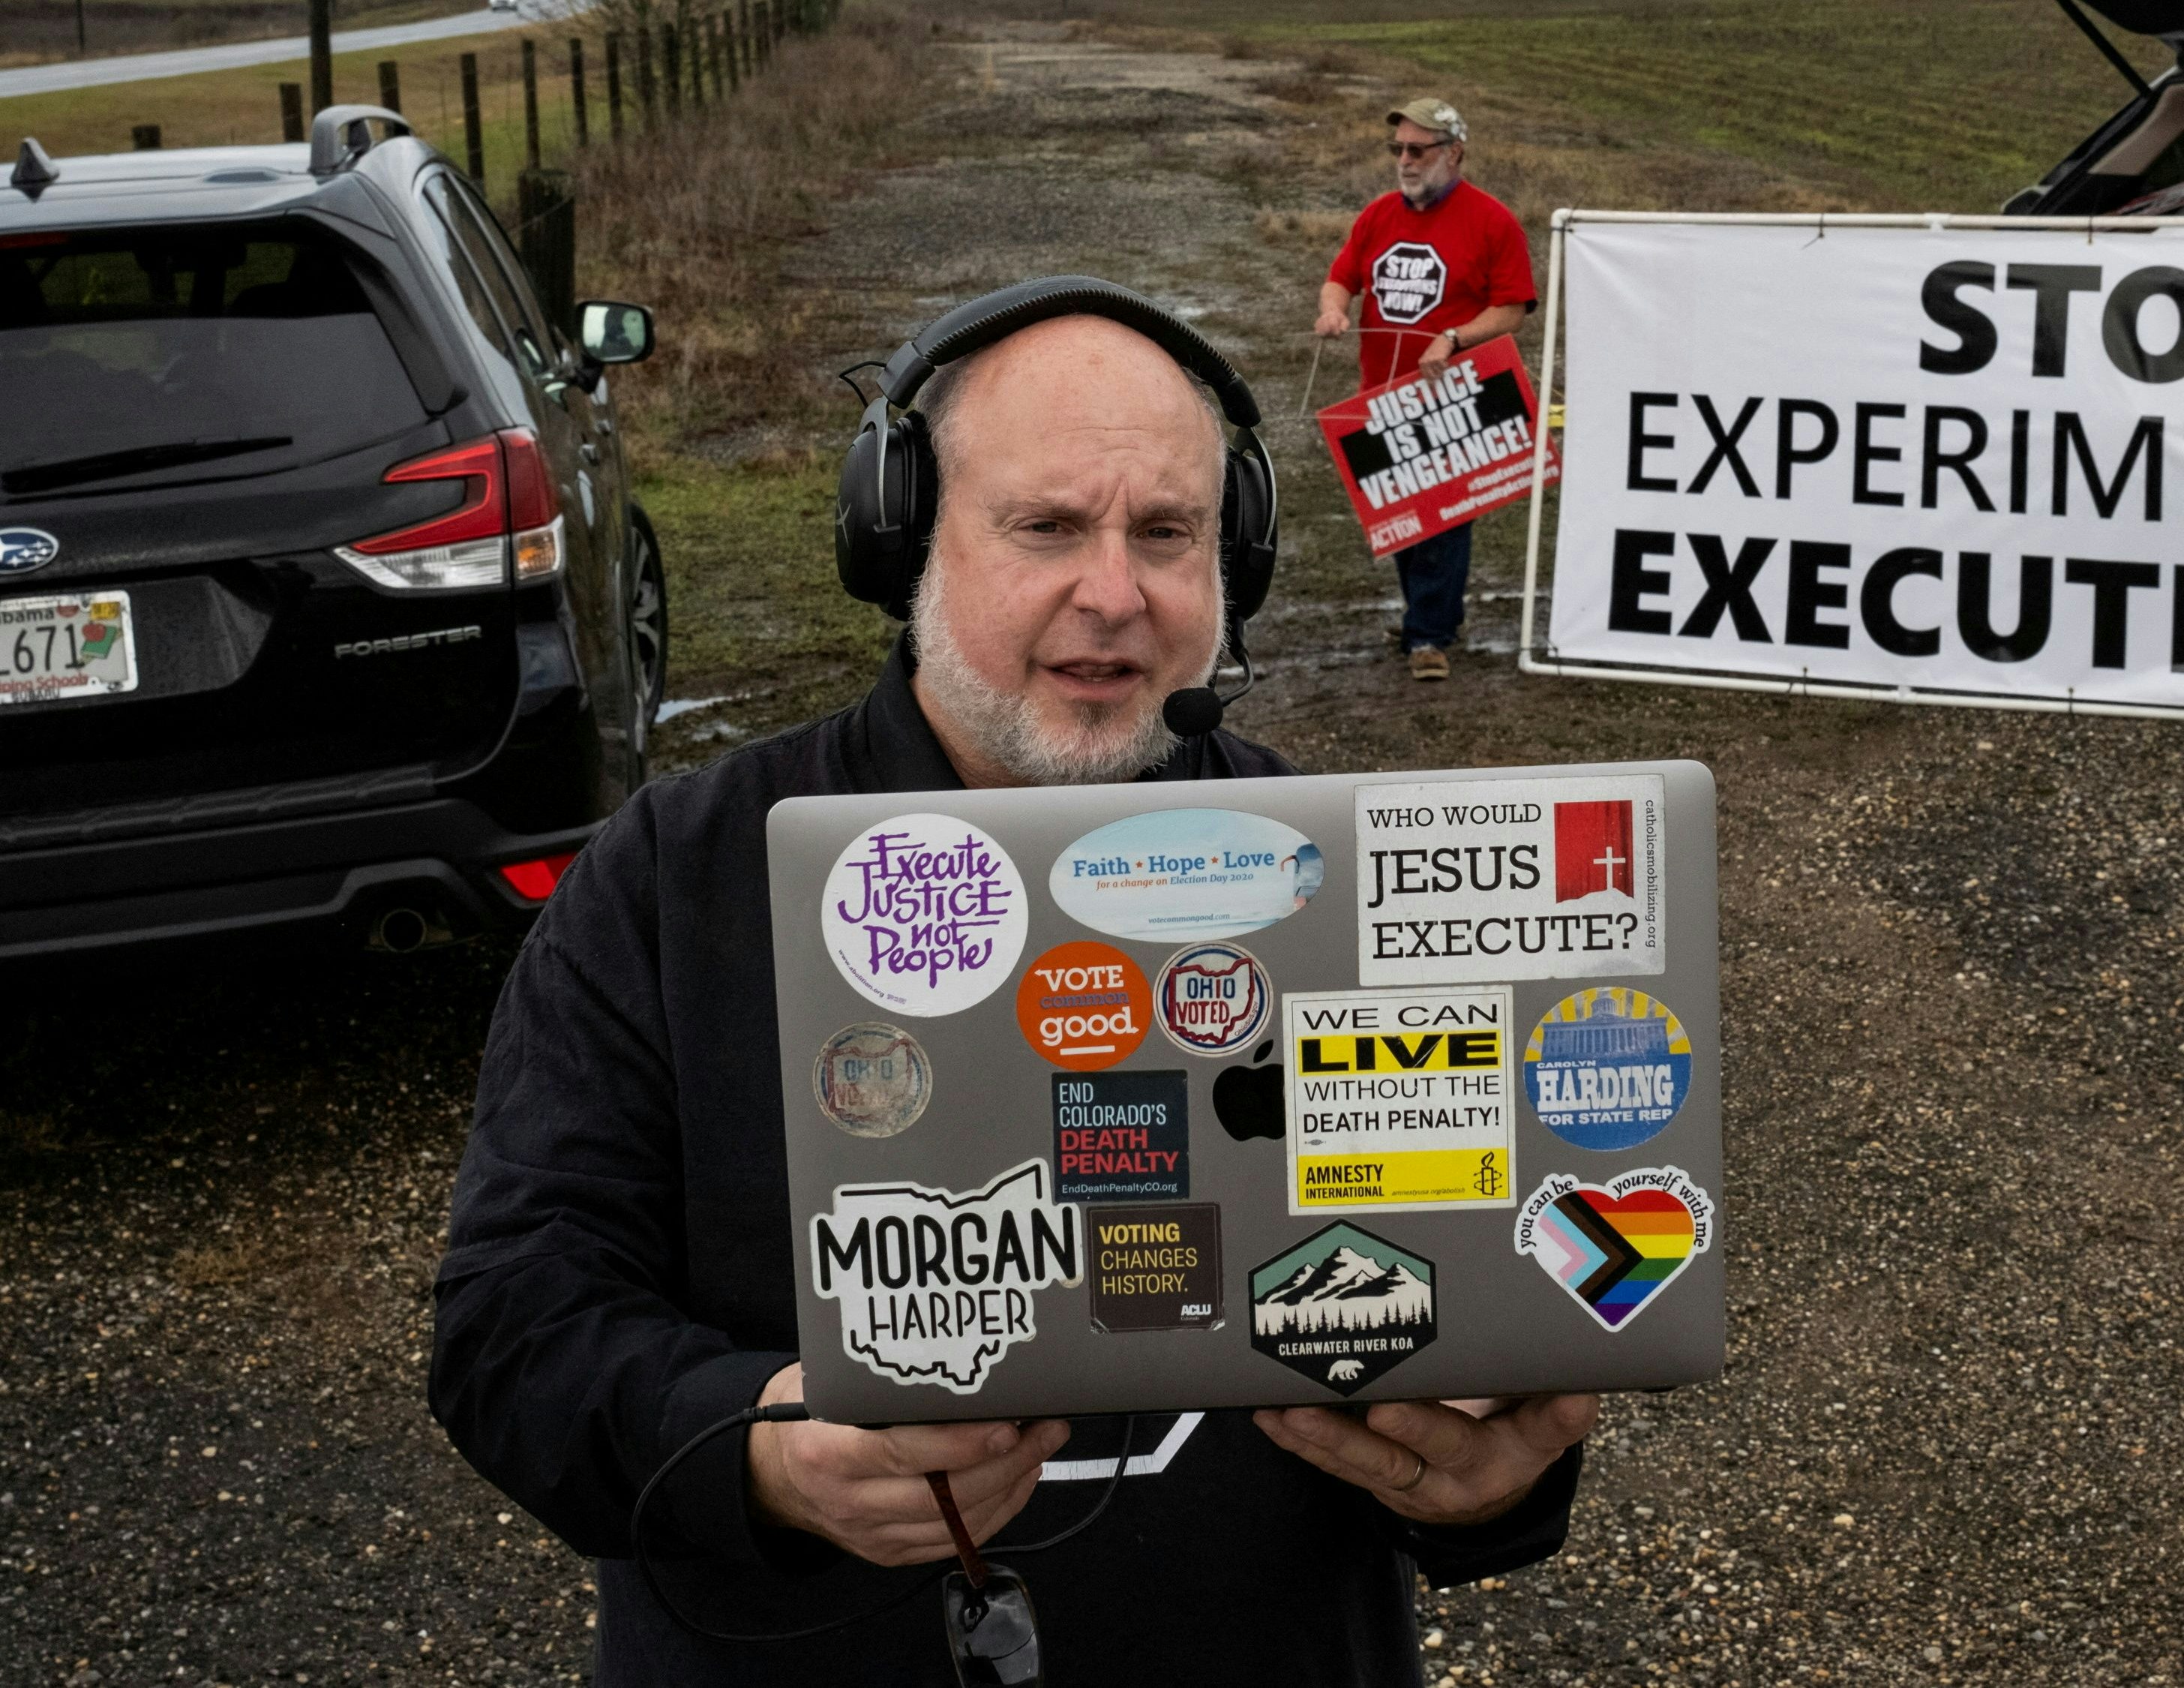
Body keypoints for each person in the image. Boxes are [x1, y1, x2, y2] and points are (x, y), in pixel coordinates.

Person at [430, 284, 1597, 1683]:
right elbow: (512, 1329)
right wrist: (763, 1451)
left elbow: (1473, 1304)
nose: (1114, 594)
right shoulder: (675, 880)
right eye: (1046, 527)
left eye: (1165, 533)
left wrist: (1493, 1483)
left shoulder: (1340, 869)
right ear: (900, 539)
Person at [1314, 95, 1535, 683]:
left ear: (1454, 153)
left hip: (1456, 400)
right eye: (1398, 149)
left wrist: (1455, 337)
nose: (1405, 160)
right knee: (1401, 518)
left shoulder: (1493, 221)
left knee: (1443, 519)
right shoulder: (1378, 216)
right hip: (1381, 400)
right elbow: (1341, 279)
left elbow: (1512, 309)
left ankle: (1428, 636)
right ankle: (1431, 617)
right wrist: (1333, 312)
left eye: (1418, 149)